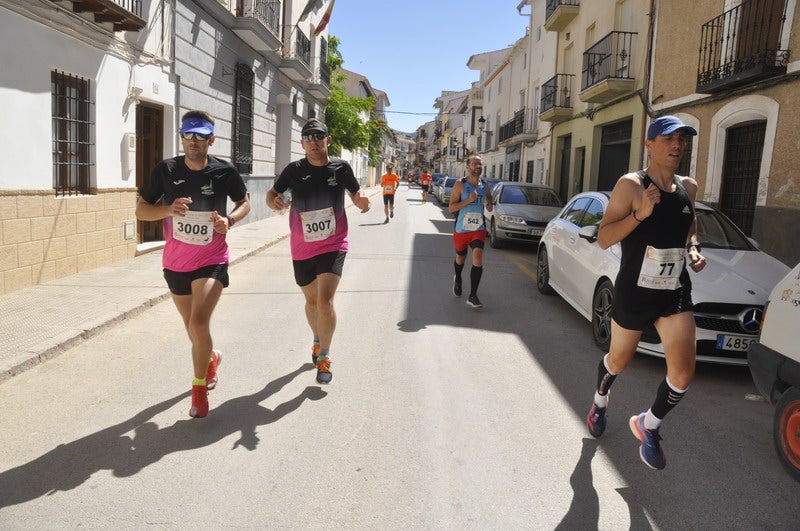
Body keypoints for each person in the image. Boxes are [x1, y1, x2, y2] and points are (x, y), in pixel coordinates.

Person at [585, 115, 707, 470]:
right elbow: (605, 237)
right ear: (649, 144)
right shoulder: (631, 185)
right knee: (619, 360)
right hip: (635, 291)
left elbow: (690, 224)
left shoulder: (689, 186)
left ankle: (648, 424)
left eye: (682, 139)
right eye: (668, 139)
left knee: (683, 374)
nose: (677, 146)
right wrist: (640, 214)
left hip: (673, 289)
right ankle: (600, 399)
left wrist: (695, 246)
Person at [136, 110, 251, 418]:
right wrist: (167, 209)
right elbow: (141, 211)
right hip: (175, 263)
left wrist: (230, 220)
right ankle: (210, 357)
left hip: (211, 259)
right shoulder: (166, 170)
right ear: (182, 137)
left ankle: (199, 390)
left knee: (199, 323)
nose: (194, 141)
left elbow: (244, 203)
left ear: (211, 139)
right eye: (188, 135)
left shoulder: (224, 171)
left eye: (201, 136)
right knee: (192, 329)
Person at [266, 119, 370, 384]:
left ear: (328, 140)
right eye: (308, 137)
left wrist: (361, 202)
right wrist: (275, 202)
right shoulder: (293, 170)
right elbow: (272, 195)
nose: (314, 142)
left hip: (333, 243)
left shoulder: (341, 168)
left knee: (325, 302)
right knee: (311, 303)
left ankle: (324, 356)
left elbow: (356, 194)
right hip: (302, 246)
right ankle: (316, 339)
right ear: (302, 143)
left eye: (319, 136)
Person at [448, 155, 493, 309]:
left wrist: (489, 205)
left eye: (480, 164)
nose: (477, 166)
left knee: (478, 257)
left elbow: (489, 199)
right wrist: (468, 201)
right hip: (461, 229)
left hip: (478, 229)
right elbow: (451, 208)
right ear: (467, 166)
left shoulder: (484, 185)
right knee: (461, 257)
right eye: (474, 164)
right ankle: (458, 278)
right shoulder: (460, 184)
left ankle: (473, 296)